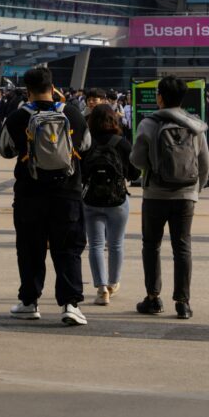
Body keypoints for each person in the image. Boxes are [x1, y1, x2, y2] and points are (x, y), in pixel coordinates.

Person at [0, 67, 90, 326]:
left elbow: (6, 150)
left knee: (30, 249)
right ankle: (70, 304)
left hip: (30, 194)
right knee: (68, 249)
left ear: (27, 91)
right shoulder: (72, 113)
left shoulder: (19, 116)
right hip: (67, 193)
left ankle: (29, 301)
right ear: (53, 87)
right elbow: (85, 146)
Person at [131, 75, 209, 319]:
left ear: (160, 97)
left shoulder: (148, 124)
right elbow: (204, 163)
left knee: (151, 245)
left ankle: (153, 298)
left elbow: (136, 159)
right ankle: (183, 303)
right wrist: (195, 190)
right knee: (182, 247)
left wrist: (152, 169)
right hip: (186, 195)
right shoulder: (195, 125)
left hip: (155, 194)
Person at [81, 102, 134, 307]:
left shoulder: (87, 142)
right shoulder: (121, 143)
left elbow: (80, 169)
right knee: (116, 244)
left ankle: (101, 288)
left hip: (90, 199)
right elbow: (134, 172)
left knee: (95, 244)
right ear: (114, 120)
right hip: (117, 200)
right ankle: (113, 283)